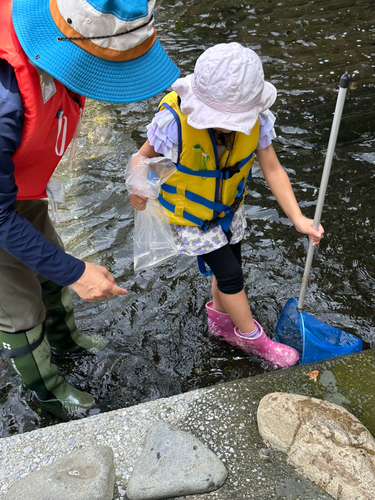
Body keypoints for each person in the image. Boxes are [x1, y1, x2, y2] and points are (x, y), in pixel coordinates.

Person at [0, 0, 180, 421]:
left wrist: (64, 269)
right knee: (19, 306)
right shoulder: (5, 99)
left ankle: (65, 340)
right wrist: (78, 273)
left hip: (16, 191)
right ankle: (47, 390)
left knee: (49, 262)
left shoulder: (48, 34)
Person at [129, 42, 324, 368]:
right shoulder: (175, 123)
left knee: (232, 263)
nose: (229, 125)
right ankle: (253, 339)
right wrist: (139, 185)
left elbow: (273, 169)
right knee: (231, 274)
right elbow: (142, 157)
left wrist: (298, 218)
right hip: (191, 219)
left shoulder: (257, 121)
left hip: (228, 210)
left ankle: (220, 321)